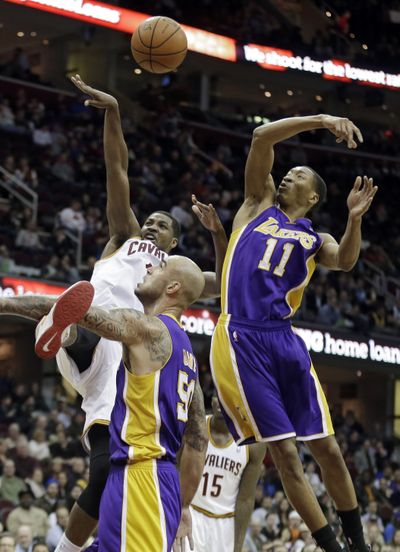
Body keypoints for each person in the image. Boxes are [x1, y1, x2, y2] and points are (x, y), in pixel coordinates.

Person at [32, 75, 227, 552]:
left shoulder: (176, 273)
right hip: (98, 330)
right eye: (151, 219)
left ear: (175, 244)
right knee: (88, 321)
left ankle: (70, 548)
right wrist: (114, 112)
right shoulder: (125, 238)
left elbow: (224, 285)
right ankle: (63, 328)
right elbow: (116, 170)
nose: (152, 223)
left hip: (125, 358)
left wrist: (221, 236)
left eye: (162, 224)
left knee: (104, 469)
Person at [210, 114, 377, 552]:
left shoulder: (315, 236)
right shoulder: (257, 203)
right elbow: (261, 135)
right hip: (241, 336)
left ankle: (358, 544)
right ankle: (332, 548)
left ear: (314, 195)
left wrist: (354, 220)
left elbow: (344, 260)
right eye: (288, 171)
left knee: (328, 449)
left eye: (298, 174)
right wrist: (321, 120)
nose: (288, 174)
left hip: (284, 338)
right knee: (284, 454)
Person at [0, 255, 209, 551]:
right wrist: (184, 503)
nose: (150, 266)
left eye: (160, 267)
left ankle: (70, 338)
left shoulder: (148, 329)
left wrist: (5, 304)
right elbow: (199, 435)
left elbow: (73, 311)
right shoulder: (187, 352)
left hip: (143, 475)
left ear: (173, 287)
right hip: (141, 476)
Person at [191, 395, 266, 552]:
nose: (221, 400)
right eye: (217, 395)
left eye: (227, 395)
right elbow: (177, 471)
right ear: (211, 399)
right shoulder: (195, 427)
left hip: (224, 524)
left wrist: (237, 546)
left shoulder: (253, 444)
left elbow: (245, 499)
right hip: (191, 512)